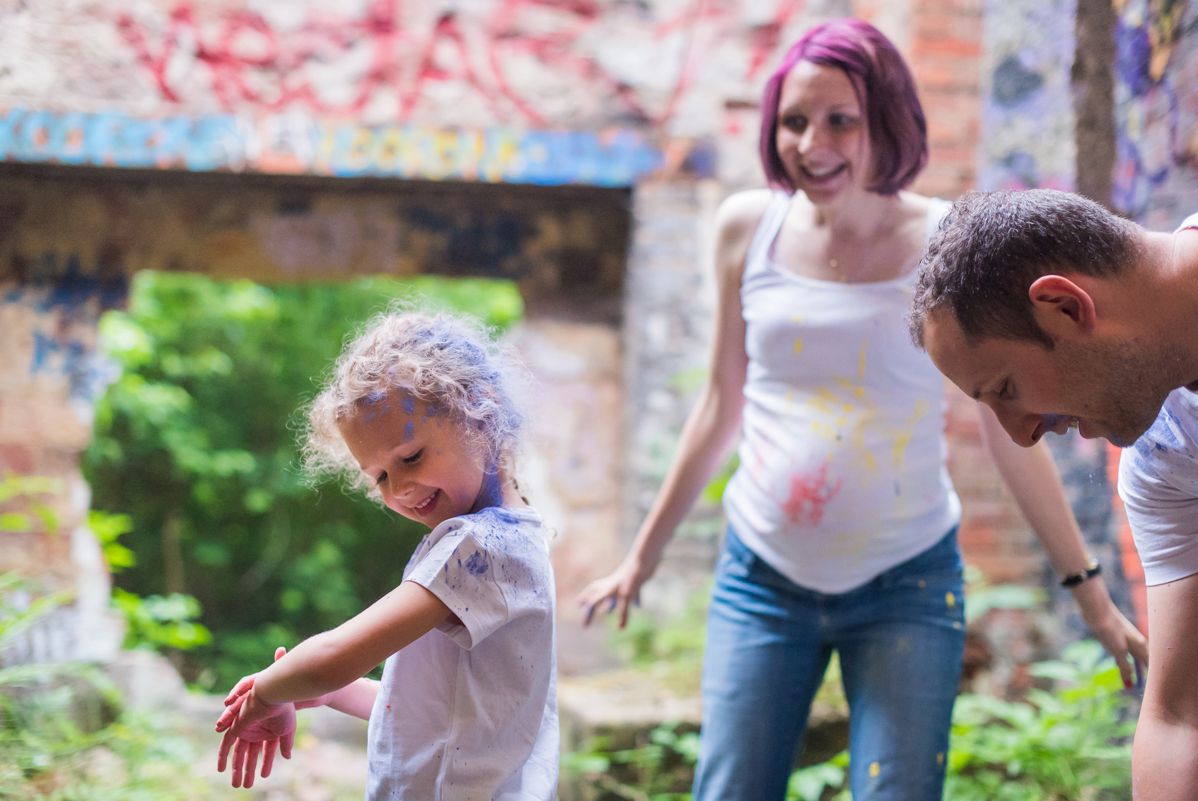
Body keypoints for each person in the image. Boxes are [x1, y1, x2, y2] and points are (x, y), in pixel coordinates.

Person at [577, 20, 1147, 801]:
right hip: (760, 577)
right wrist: (640, 556)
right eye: (794, 121)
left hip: (908, 582)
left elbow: (1005, 429)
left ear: (886, 119)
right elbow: (720, 401)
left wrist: (1089, 589)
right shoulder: (747, 227)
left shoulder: (946, 242)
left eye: (840, 118)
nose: (813, 142)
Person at [909, 187, 1198, 801]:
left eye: (1007, 389)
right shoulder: (1166, 457)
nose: (1022, 435)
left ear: (1065, 307)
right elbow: (1179, 719)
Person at [212, 310, 558, 800]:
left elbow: (334, 656)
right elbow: (447, 718)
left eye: (411, 457)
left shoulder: (483, 549)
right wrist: (334, 694)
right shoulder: (512, 541)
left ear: (482, 409)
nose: (399, 489)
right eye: (378, 477)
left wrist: (268, 690)